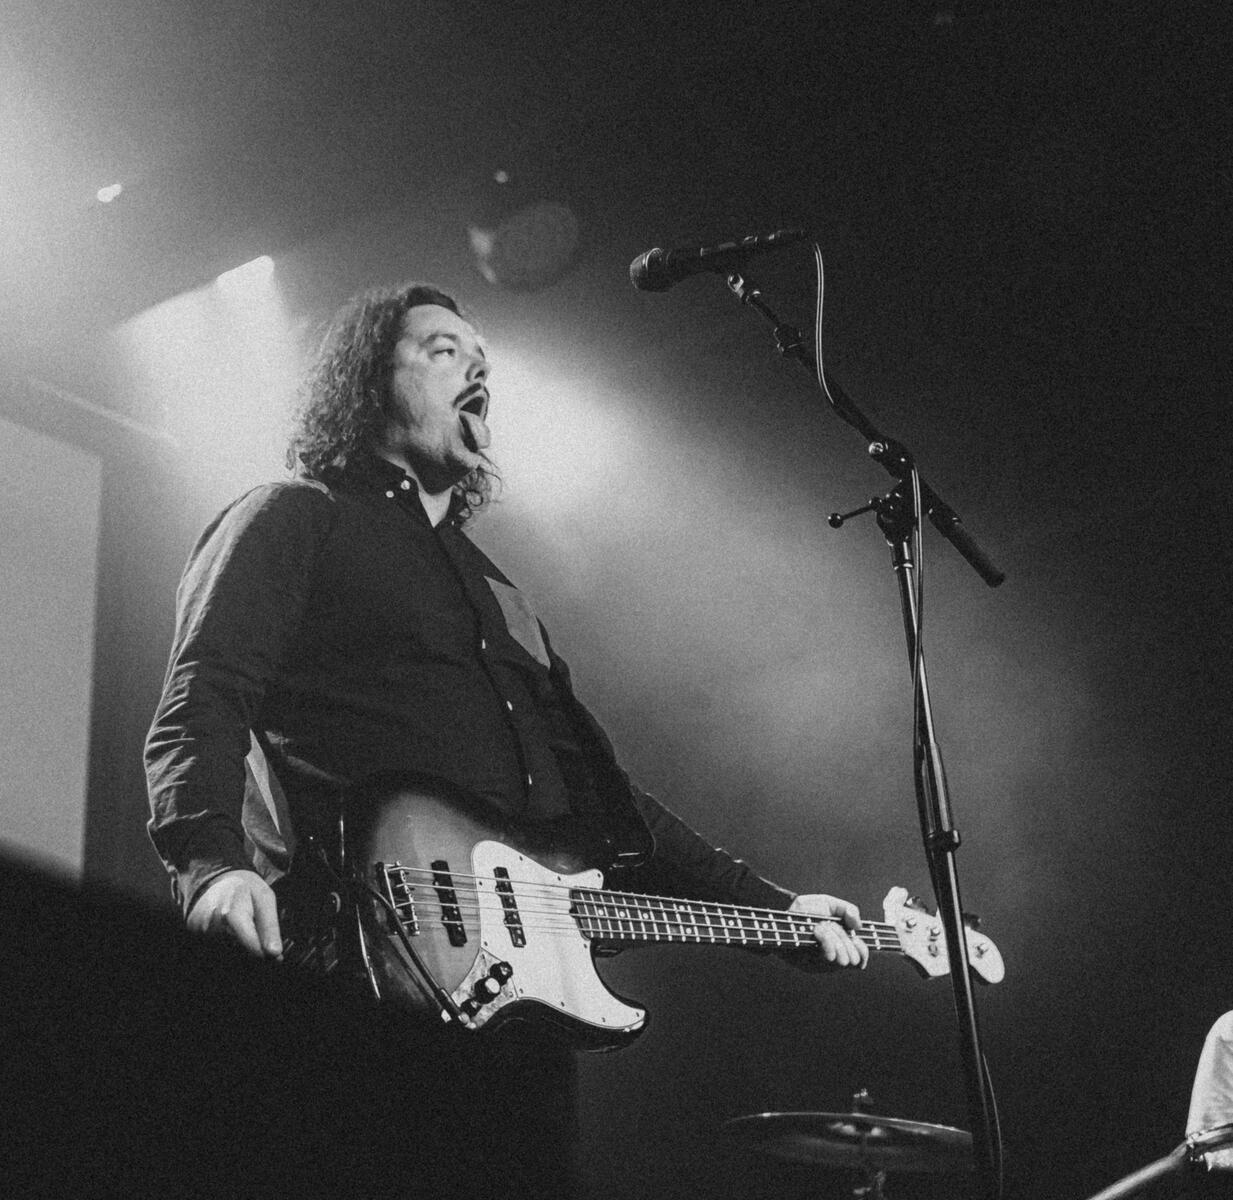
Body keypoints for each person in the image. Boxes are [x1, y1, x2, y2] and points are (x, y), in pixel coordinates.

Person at [144, 281, 867, 1187]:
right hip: (357, 959)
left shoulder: (507, 601)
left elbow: (609, 806)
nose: (475, 366)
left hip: (517, 1011)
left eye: (482, 359)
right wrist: (211, 863)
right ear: (367, 382)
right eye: (443, 350)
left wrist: (775, 908)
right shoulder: (296, 515)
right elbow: (203, 694)